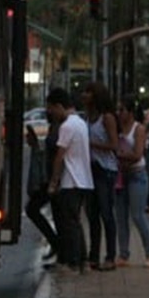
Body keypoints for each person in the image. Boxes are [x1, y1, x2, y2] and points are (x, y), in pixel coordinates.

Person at [45, 87, 94, 275]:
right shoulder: (81, 123)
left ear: (59, 106)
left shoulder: (66, 127)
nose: (51, 113)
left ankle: (73, 263)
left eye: (52, 109)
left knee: (69, 224)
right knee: (76, 222)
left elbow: (60, 156)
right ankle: (83, 261)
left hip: (70, 180)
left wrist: (53, 182)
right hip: (83, 180)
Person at [113, 95, 149, 267]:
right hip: (120, 176)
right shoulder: (117, 128)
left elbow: (138, 154)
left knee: (138, 215)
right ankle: (123, 253)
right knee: (121, 217)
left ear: (131, 112)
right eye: (118, 110)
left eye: (122, 110)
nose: (119, 113)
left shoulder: (138, 129)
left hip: (136, 175)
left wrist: (119, 155)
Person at [81, 81, 119, 271]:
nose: (84, 95)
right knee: (92, 214)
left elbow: (114, 145)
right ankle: (93, 255)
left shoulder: (107, 118)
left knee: (106, 213)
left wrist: (91, 144)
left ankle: (110, 256)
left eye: (88, 92)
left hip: (105, 169)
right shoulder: (87, 117)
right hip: (91, 168)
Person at [24, 122, 62, 265]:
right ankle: (57, 245)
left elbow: (55, 154)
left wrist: (53, 181)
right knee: (57, 214)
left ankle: (58, 245)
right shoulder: (55, 126)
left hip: (53, 179)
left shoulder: (62, 126)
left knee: (33, 209)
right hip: (51, 179)